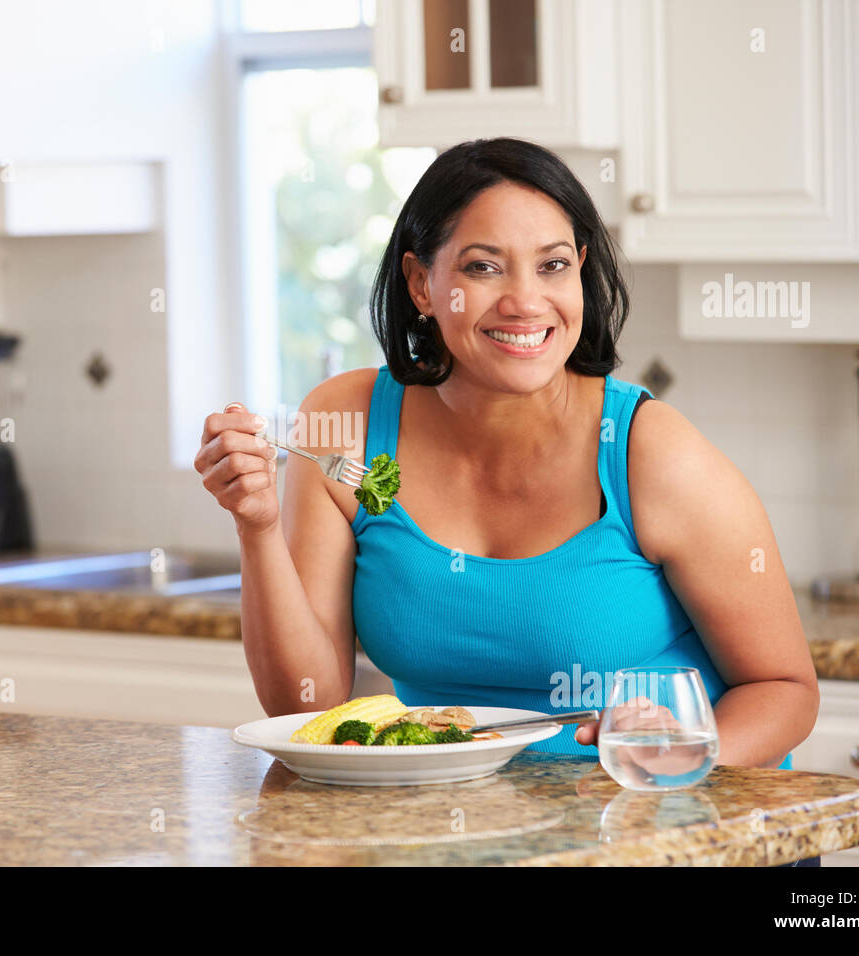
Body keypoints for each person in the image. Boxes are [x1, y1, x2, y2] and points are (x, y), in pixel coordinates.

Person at [196, 138, 820, 860]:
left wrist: (676, 757)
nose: (525, 301)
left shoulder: (649, 451)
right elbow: (308, 707)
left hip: (667, 835)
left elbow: (784, 688)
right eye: (483, 267)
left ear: (581, 272)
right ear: (422, 285)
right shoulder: (348, 425)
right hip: (463, 838)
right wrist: (258, 526)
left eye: (553, 264)